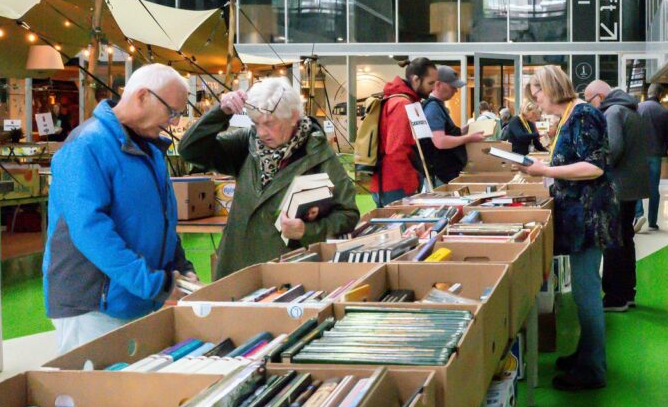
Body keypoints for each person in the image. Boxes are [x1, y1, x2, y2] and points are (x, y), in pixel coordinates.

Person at [43, 64, 197, 354]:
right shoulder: (87, 145)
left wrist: (179, 267)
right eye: (171, 112)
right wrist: (153, 284)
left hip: (134, 299)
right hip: (91, 305)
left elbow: (161, 220)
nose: (174, 122)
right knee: (95, 383)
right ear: (142, 96)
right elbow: (91, 231)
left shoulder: (149, 149)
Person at [178, 78, 359, 279]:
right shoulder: (247, 143)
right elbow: (190, 150)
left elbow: (348, 214)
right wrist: (220, 113)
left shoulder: (318, 154)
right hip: (235, 269)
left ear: (293, 116)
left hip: (286, 276)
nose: (262, 133)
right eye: (256, 123)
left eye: (269, 123)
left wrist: (307, 231)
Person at [516, 65, 618, 391]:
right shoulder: (571, 116)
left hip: (588, 216)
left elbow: (593, 167)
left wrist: (546, 170)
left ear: (551, 88)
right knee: (582, 291)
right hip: (579, 216)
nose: (537, 102)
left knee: (586, 293)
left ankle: (593, 369)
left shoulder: (583, 115)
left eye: (538, 95)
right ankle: (586, 354)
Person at [584, 81, 650, 312]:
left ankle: (614, 297)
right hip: (631, 186)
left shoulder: (613, 112)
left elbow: (613, 148)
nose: (592, 108)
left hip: (617, 187)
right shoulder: (630, 109)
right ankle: (627, 293)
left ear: (600, 96)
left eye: (590, 102)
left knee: (612, 241)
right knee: (625, 239)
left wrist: (593, 164)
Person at [368, 58, 438, 206]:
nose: (433, 89)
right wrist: (411, 183)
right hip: (395, 185)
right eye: (430, 83)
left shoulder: (399, 100)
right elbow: (396, 151)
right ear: (416, 80)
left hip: (390, 183)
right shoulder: (402, 104)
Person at [421, 65, 484, 186]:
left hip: (445, 172)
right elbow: (440, 141)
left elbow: (446, 132)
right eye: (452, 87)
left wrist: (466, 129)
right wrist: (469, 138)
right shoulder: (433, 108)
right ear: (438, 85)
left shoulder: (438, 106)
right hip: (441, 174)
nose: (456, 91)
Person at [635, 83, 668, 232]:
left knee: (637, 186)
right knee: (653, 189)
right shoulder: (664, 112)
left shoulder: (638, 108)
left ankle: (639, 215)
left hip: (638, 155)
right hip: (655, 155)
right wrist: (663, 148)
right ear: (660, 95)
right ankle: (652, 222)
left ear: (649, 93)